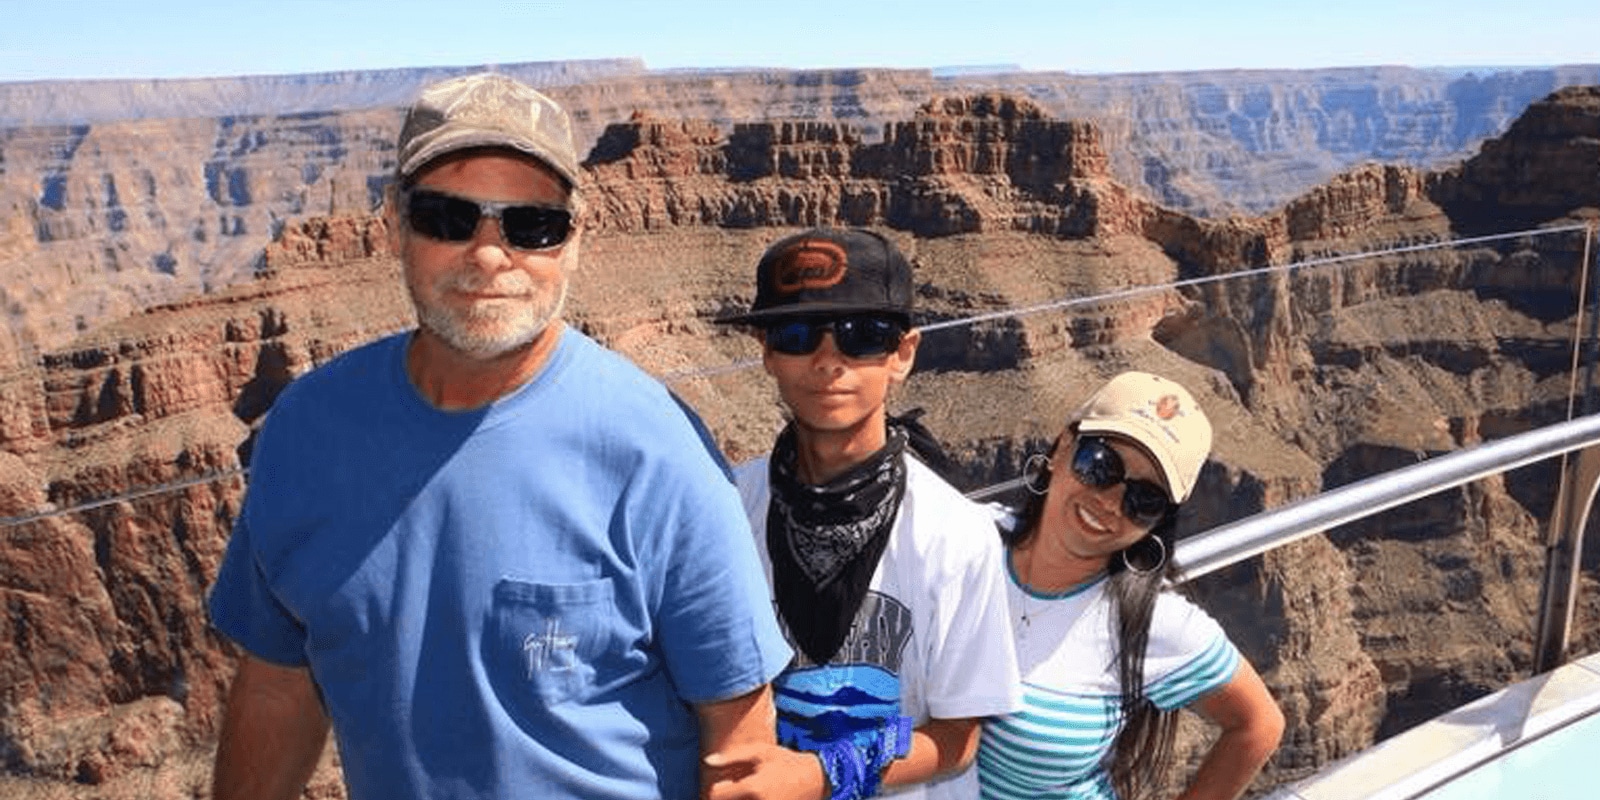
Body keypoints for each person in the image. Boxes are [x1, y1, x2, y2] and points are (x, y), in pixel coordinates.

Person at [206, 72, 792, 800]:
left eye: (531, 225)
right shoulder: (305, 430)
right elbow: (278, 684)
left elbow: (740, 741)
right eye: (448, 218)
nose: (488, 255)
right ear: (394, 225)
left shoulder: (658, 452)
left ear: (574, 238)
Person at [706, 228, 1022, 800]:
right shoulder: (723, 510)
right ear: (767, 352)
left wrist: (820, 775)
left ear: (903, 354)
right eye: (797, 335)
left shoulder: (957, 535)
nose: (829, 361)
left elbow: (957, 738)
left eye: (863, 336)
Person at [977, 371, 1284, 800]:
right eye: (1100, 465)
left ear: (1160, 521)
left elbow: (1259, 724)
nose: (1110, 502)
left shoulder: (1154, 622)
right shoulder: (965, 541)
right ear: (1063, 446)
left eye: (1144, 498)